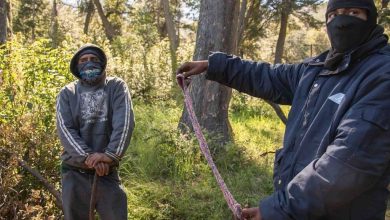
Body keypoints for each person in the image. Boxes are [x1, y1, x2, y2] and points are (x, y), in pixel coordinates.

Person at [176, 0, 390, 219]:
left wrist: (278, 210)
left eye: (353, 12)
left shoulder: (381, 75)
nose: (342, 22)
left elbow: (347, 163)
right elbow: (268, 76)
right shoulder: (318, 68)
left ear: (370, 19)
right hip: (301, 209)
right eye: (334, 15)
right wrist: (214, 65)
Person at [56, 44, 135, 220]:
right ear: (76, 67)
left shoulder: (116, 87)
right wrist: (90, 158)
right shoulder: (67, 93)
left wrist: (110, 155)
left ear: (102, 64)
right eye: (83, 60)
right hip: (74, 172)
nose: (89, 63)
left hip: (107, 172)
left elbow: (124, 123)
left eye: (94, 60)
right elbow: (65, 130)